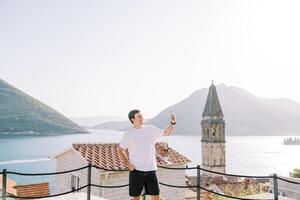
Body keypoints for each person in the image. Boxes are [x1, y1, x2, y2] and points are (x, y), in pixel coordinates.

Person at [117, 109, 176, 200]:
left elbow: (166, 133)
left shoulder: (150, 129)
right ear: (133, 119)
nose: (142, 118)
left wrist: (172, 123)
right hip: (136, 171)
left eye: (142, 116)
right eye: (139, 116)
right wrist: (128, 164)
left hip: (151, 170)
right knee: (136, 198)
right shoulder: (128, 133)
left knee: (156, 197)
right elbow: (120, 150)